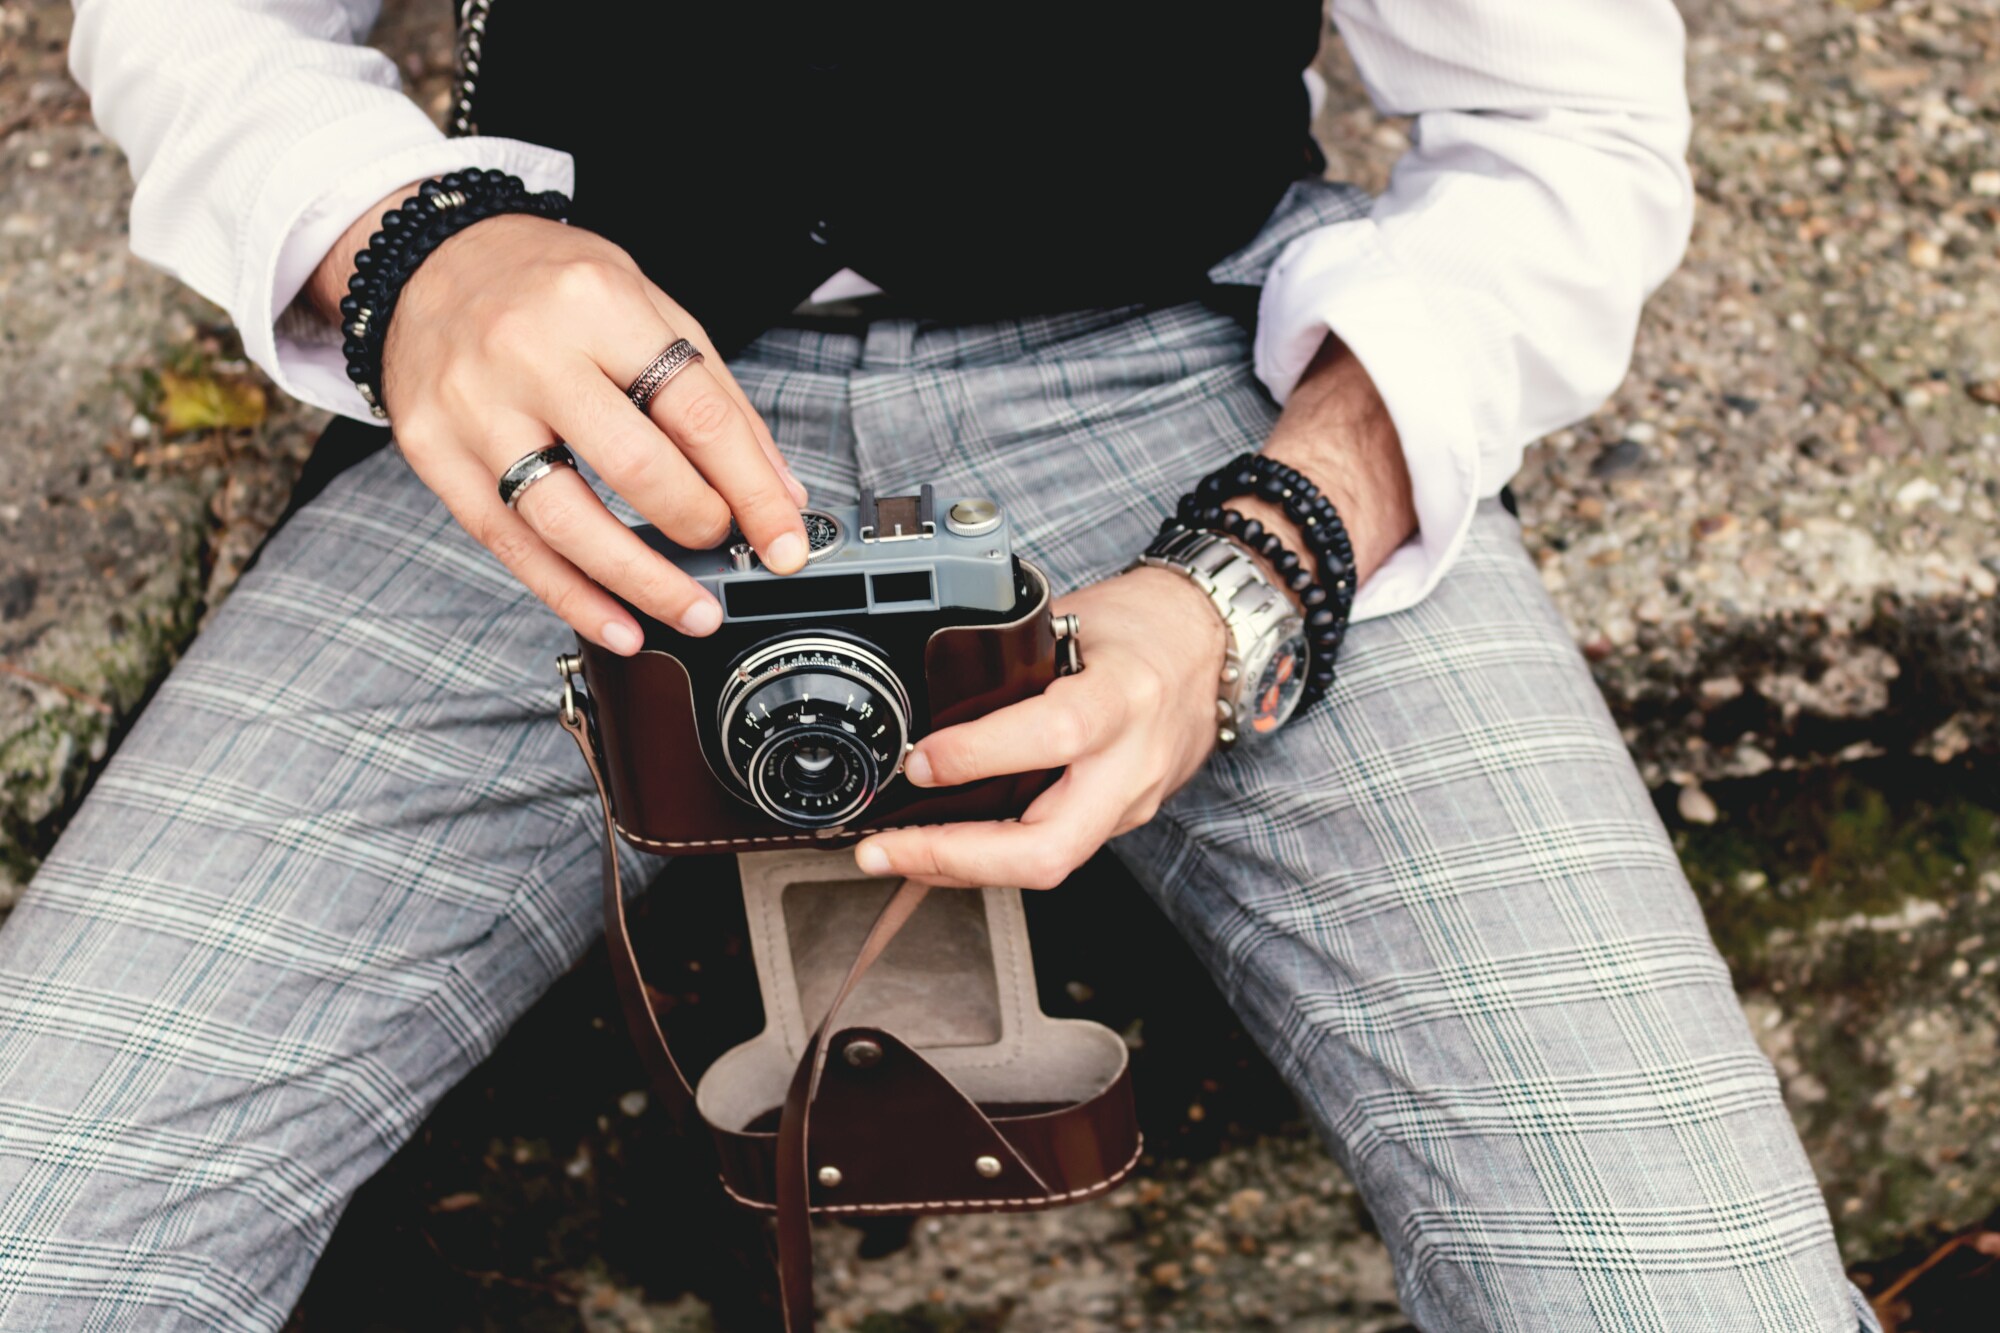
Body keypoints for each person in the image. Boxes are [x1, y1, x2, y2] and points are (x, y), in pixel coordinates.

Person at [0, 1, 1877, 1329]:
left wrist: (1263, 568)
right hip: (569, 414)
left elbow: (1561, 134)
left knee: (1686, 1285)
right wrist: (420, 256)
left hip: (1204, 384)